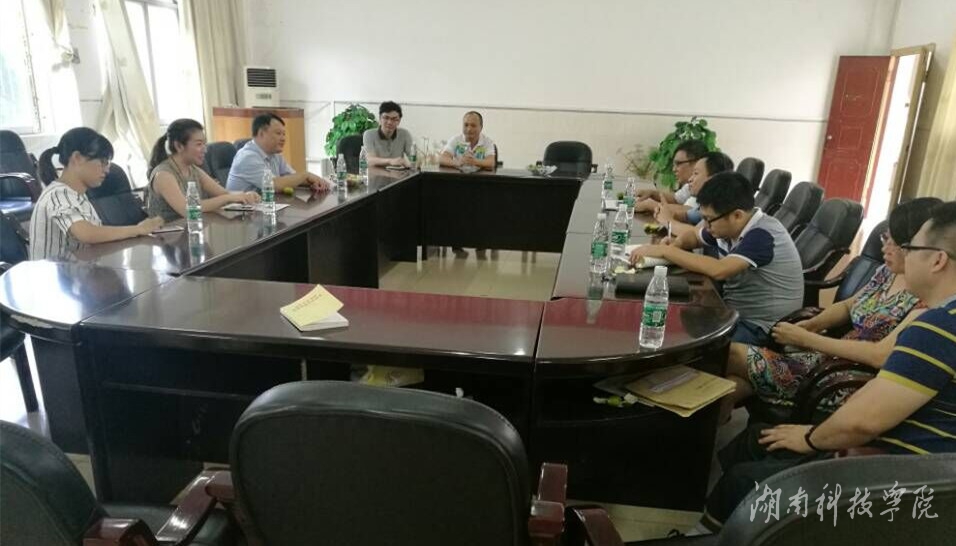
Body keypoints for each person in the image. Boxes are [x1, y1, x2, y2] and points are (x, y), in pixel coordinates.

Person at [698, 200, 956, 533]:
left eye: (910, 247)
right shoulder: (937, 317)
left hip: (909, 482)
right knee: (754, 438)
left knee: (744, 480)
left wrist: (810, 438)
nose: (901, 253)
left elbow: (863, 420)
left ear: (937, 260)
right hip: (915, 465)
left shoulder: (937, 327)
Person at [722, 198, 940, 417]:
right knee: (731, 387)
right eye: (885, 237)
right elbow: (848, 305)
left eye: (894, 242)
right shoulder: (887, 272)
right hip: (827, 358)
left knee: (728, 354)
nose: (885, 247)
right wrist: (813, 324)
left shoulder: (928, 299)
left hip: (846, 379)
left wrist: (807, 339)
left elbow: (880, 355)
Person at [629, 172, 803, 345]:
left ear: (737, 215)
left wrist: (665, 251)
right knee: (677, 315)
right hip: (732, 308)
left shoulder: (762, 234)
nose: (705, 225)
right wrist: (677, 243)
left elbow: (720, 270)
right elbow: (695, 236)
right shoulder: (728, 226)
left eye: (709, 220)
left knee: (685, 340)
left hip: (762, 328)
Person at [29, 128, 163, 260]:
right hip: (57, 272)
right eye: (102, 162)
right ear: (77, 158)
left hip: (76, 269)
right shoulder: (58, 194)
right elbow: (87, 233)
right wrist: (138, 229)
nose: (107, 170)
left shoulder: (76, 194)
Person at [145, 118, 260, 222]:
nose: (205, 150)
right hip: (166, 236)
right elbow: (188, 210)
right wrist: (228, 198)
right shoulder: (163, 175)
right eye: (199, 144)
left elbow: (224, 193)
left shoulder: (193, 169)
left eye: (204, 144)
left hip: (192, 230)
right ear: (179, 146)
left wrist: (245, 195)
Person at [226, 113, 331, 193]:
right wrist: (305, 175)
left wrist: (314, 182)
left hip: (265, 208)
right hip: (241, 213)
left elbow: (292, 178)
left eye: (284, 134)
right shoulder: (247, 157)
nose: (283, 138)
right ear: (261, 134)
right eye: (278, 133)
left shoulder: (275, 154)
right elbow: (273, 185)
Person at [654, 151, 734, 238]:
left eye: (696, 173)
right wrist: (666, 212)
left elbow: (697, 235)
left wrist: (668, 220)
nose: (690, 179)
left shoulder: (720, 208)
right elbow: (686, 216)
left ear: (713, 179)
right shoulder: (706, 204)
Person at [634, 139, 709, 213]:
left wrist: (650, 205)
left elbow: (690, 213)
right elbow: (676, 199)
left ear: (697, 162)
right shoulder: (690, 185)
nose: (674, 169)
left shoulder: (709, 187)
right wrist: (652, 193)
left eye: (678, 164)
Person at [363, 101, 413, 168]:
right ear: (380, 118)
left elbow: (413, 158)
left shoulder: (405, 134)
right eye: (386, 118)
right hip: (376, 173)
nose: (389, 122)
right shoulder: (369, 135)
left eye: (394, 119)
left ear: (399, 121)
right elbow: (370, 160)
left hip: (397, 173)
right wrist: (390, 161)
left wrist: (409, 163)